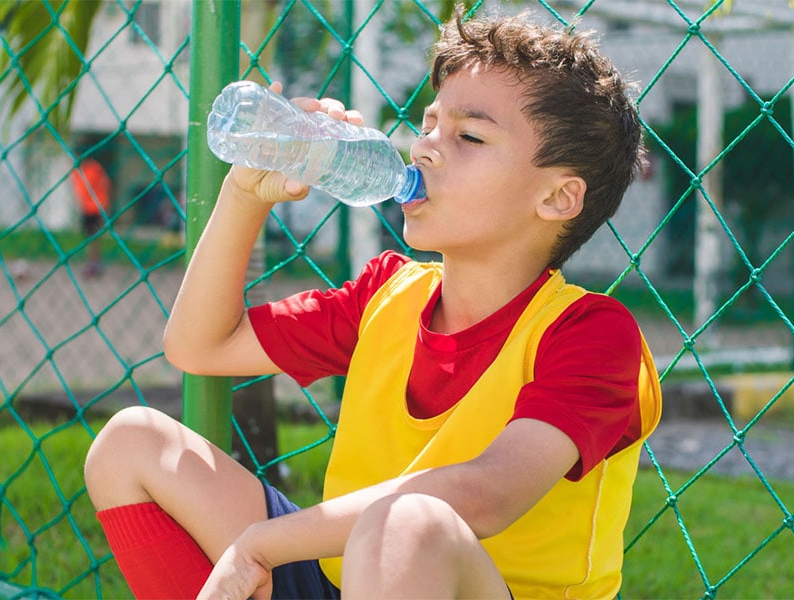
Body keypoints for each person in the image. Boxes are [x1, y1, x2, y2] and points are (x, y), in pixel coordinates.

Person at [84, 11, 661, 600]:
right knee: (133, 443)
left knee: (410, 521)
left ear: (558, 197)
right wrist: (245, 192)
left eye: (469, 136)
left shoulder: (591, 334)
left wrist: (261, 543)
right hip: (348, 580)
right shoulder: (387, 294)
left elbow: (489, 493)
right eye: (429, 124)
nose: (427, 147)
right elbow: (198, 345)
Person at [70, 156, 111, 278]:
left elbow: (93, 186)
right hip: (87, 207)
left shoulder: (94, 169)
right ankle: (93, 262)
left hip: (96, 207)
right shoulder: (80, 169)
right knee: (90, 236)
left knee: (93, 236)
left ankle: (94, 264)